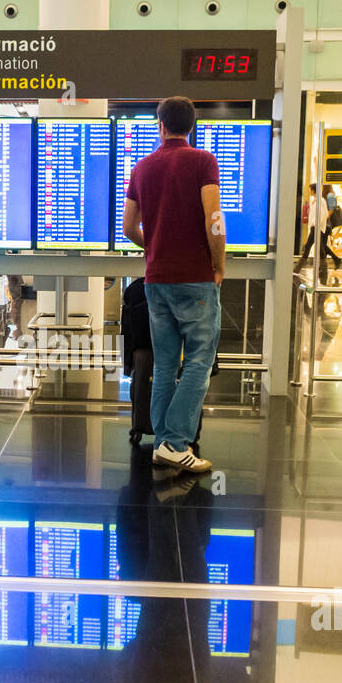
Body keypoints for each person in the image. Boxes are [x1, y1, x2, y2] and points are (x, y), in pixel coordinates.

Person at [121, 95, 221, 474]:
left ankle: (164, 444)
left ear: (160, 126)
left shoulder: (142, 168)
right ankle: (176, 444)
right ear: (191, 127)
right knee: (199, 360)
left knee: (164, 364)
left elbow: (129, 227)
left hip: (155, 280)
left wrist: (157, 245)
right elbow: (213, 219)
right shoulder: (203, 161)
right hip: (195, 280)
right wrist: (217, 262)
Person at [297, 182, 342, 279]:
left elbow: (327, 212)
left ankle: (298, 268)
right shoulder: (318, 199)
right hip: (318, 226)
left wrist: (318, 223)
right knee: (320, 246)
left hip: (319, 226)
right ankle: (333, 262)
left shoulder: (326, 197)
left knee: (311, 246)